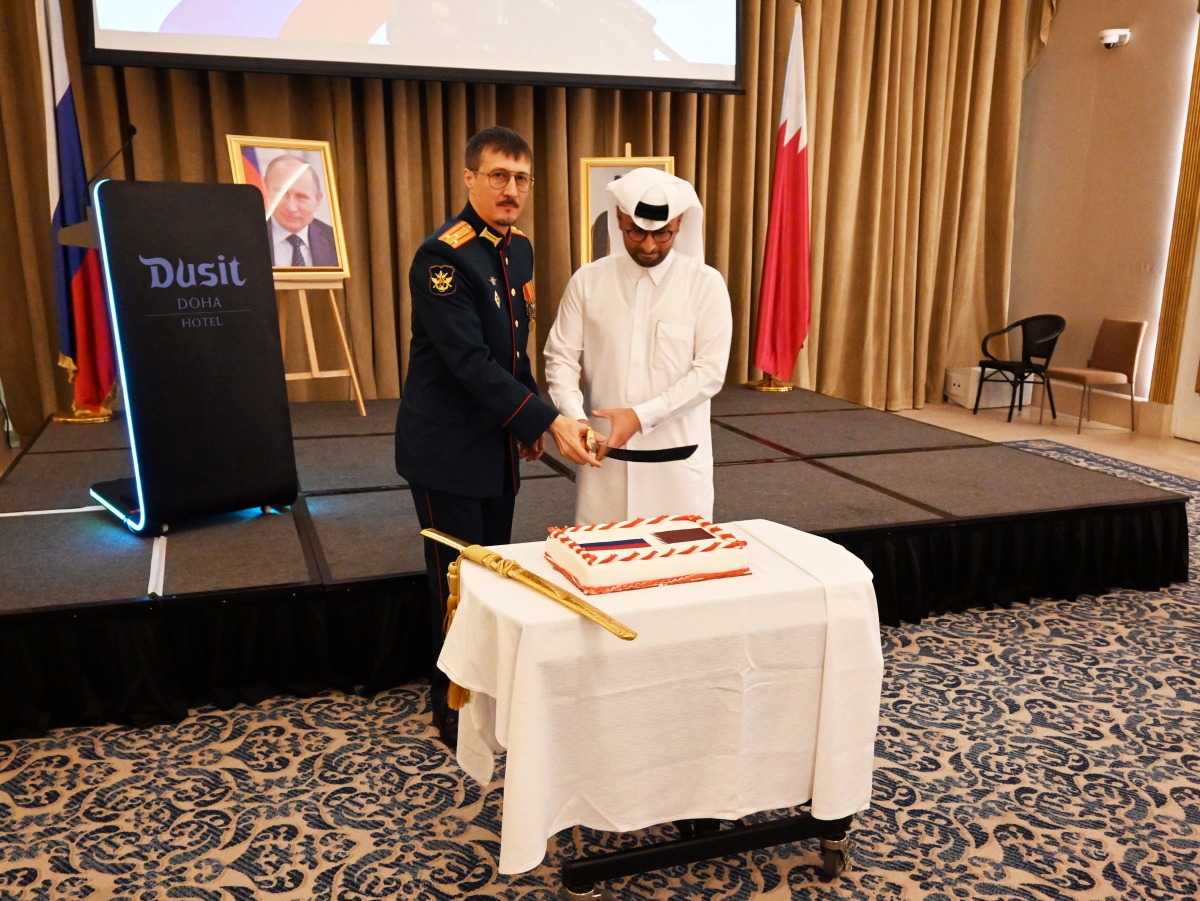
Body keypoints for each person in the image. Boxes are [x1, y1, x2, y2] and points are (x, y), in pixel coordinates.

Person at [395, 126, 598, 747]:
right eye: (498, 177)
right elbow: (470, 363)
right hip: (446, 449)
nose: (511, 190)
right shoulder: (442, 258)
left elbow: (514, 351)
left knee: (492, 572)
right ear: (469, 179)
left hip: (495, 446)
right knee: (456, 579)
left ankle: (484, 681)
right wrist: (547, 420)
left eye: (521, 179)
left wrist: (528, 419)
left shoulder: (519, 250)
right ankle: (450, 698)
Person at [544, 167, 733, 525]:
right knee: (601, 571)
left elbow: (709, 374)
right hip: (604, 470)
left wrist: (639, 417)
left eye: (662, 234)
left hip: (678, 474)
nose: (648, 246)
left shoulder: (705, 285)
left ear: (678, 223)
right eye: (635, 232)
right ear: (618, 218)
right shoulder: (588, 281)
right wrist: (576, 417)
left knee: (681, 574)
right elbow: (560, 358)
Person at [263, 153, 339, 267]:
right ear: (267, 189)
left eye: (301, 197)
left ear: (318, 200)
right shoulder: (245, 238)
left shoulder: (335, 241)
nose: (291, 207)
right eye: (283, 194)